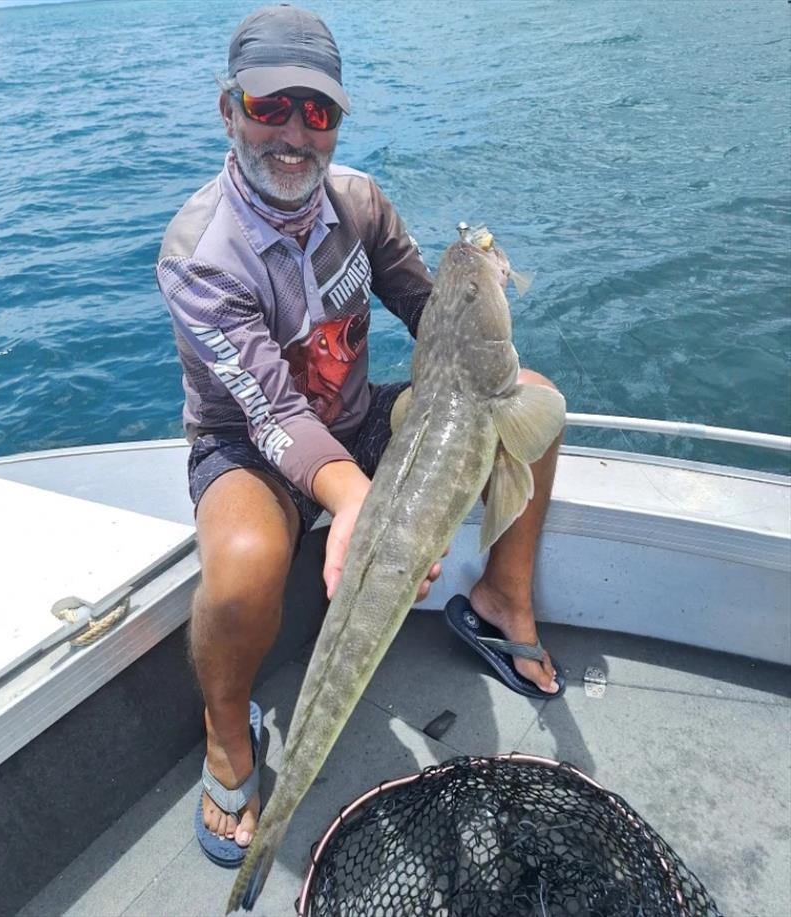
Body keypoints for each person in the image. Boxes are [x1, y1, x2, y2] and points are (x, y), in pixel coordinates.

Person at [156, 2, 565, 868]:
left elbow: (430, 313)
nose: (296, 134)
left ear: (338, 120)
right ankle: (229, 739)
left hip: (357, 416)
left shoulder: (361, 205)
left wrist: (485, 307)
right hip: (248, 447)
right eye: (270, 108)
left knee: (532, 402)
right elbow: (269, 412)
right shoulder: (200, 254)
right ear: (228, 110)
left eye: (320, 111)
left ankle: (501, 598)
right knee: (239, 569)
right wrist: (354, 499)